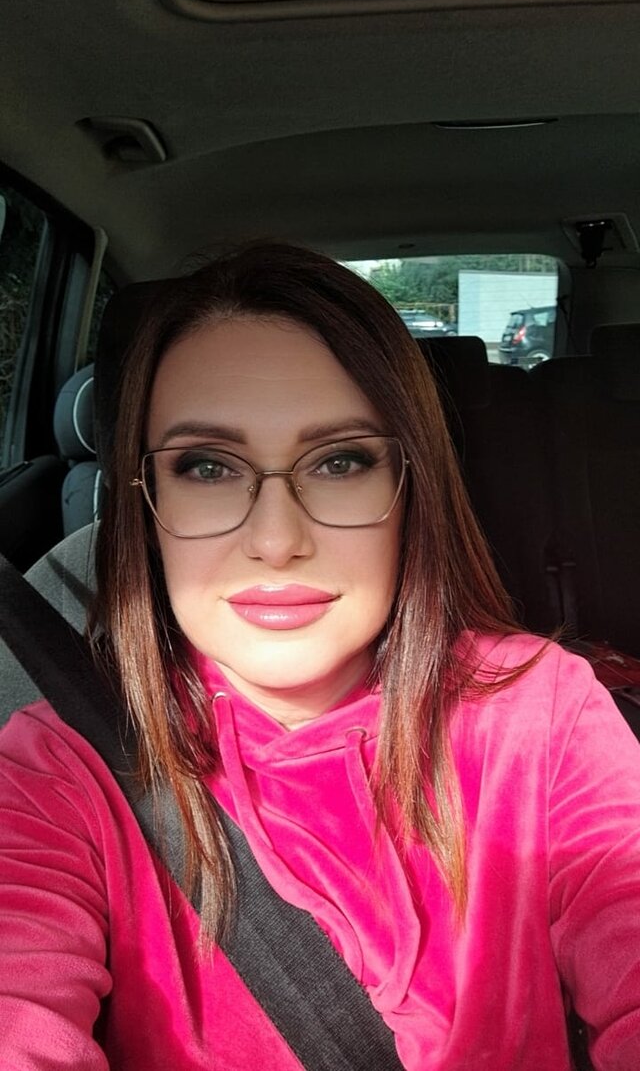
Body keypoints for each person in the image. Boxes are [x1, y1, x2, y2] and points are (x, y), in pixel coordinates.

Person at [0, 242, 639, 1071]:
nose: (276, 540)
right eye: (207, 467)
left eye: (341, 462)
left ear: (410, 491)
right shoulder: (61, 771)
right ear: (146, 506)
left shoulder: (542, 714)